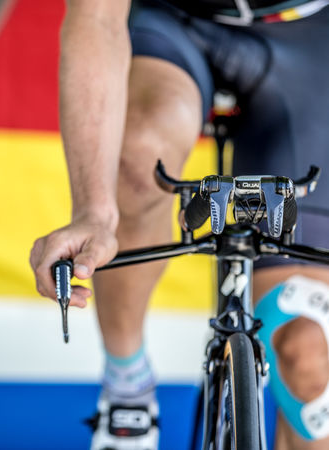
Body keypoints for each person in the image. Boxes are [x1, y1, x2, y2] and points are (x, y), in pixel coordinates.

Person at [30, 1, 329, 449]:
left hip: (308, 29)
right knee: (140, 157)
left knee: (307, 359)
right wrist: (95, 211)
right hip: (175, 23)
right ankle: (127, 382)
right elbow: (97, 18)